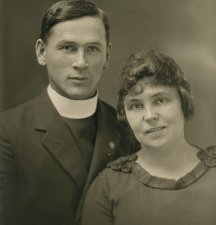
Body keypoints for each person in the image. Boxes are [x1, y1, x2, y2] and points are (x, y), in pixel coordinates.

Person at [0, 1, 138, 225]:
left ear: (108, 55)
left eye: (92, 49)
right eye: (68, 48)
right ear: (41, 52)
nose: (81, 63)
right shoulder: (7, 131)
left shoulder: (127, 129)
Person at [81, 49, 216, 225]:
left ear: (183, 102)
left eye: (160, 100)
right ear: (124, 115)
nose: (149, 116)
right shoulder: (107, 187)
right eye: (136, 106)